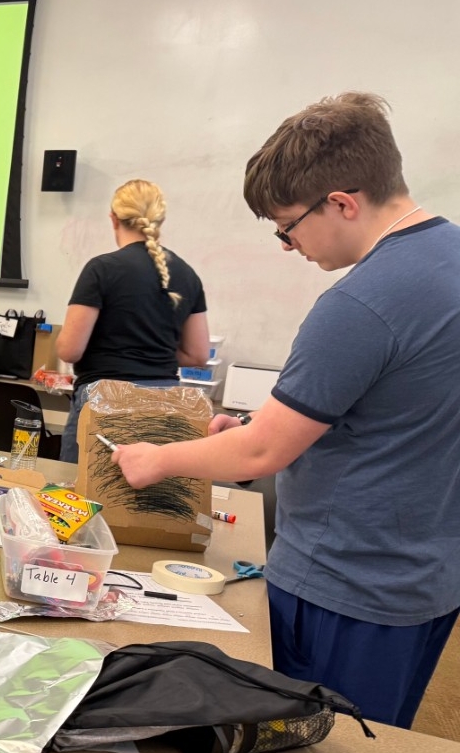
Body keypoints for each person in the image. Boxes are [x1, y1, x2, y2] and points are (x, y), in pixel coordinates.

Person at [111, 92, 460, 728]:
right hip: (427, 581)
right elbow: (395, 410)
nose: (286, 244)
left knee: (316, 733)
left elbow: (261, 453)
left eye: (287, 226)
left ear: (343, 202)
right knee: (376, 732)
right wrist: (258, 426)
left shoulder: (360, 303)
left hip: (347, 586)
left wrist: (154, 459)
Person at [55, 179, 210, 462]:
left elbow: (69, 350)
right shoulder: (187, 274)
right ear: (159, 219)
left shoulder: (101, 269)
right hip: (163, 401)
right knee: (146, 500)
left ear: (113, 219)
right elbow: (198, 354)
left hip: (105, 399)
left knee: (82, 497)